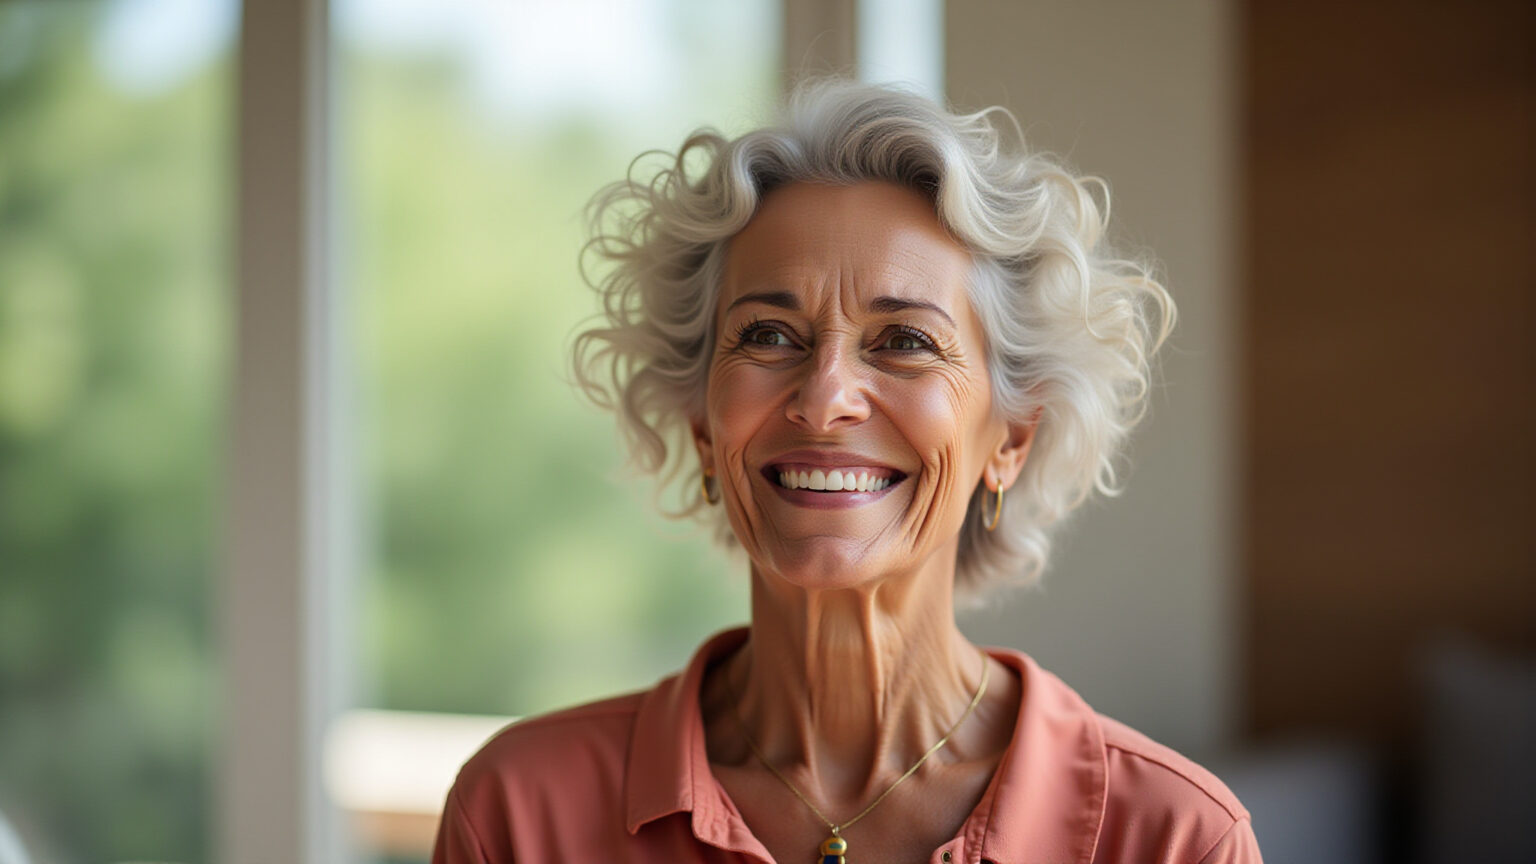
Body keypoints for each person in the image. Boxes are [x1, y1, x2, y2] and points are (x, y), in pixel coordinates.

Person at [432, 80, 1262, 864]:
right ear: (700, 424)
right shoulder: (519, 815)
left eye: (904, 342)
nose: (825, 397)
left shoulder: (1176, 840)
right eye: (767, 335)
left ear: (1011, 437)